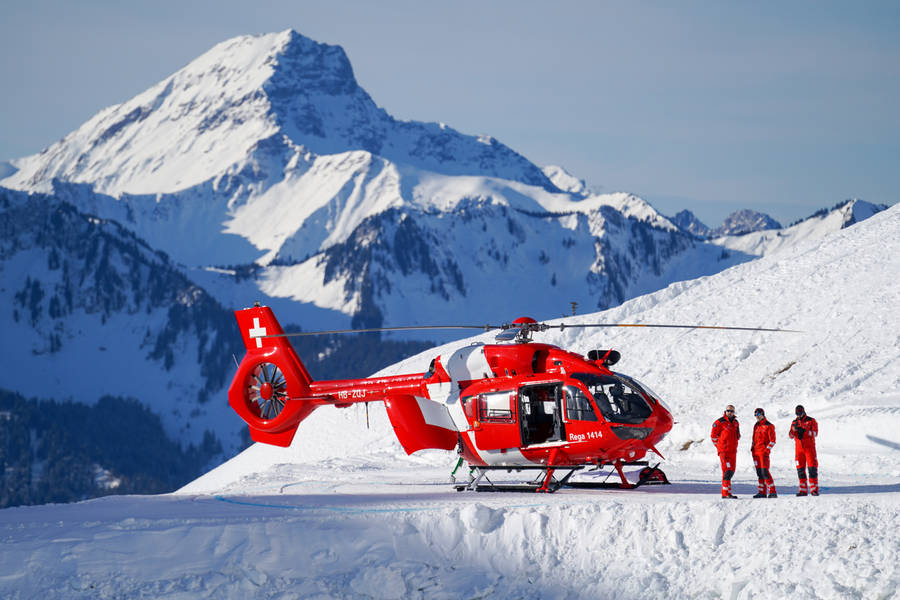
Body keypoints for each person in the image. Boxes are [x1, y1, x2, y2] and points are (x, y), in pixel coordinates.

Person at [711, 405, 740, 498]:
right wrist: (719, 447)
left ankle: (728, 493)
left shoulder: (736, 422)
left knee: (731, 471)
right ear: (725, 411)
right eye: (728, 411)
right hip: (724, 451)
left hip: (733, 451)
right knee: (727, 471)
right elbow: (713, 436)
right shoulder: (719, 422)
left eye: (731, 411)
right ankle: (725, 494)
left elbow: (737, 435)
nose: (730, 412)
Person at [789, 405, 819, 496]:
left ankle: (814, 490)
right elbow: (790, 436)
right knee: (800, 470)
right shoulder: (794, 422)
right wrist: (794, 431)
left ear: (803, 412)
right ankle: (803, 490)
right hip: (799, 450)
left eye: (800, 413)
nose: (798, 415)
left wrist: (805, 431)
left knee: (812, 469)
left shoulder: (811, 420)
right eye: (797, 414)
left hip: (809, 449)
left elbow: (815, 433)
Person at [750, 408, 777, 498]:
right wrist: (752, 448)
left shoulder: (769, 426)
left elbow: (773, 441)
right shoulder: (756, 425)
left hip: (763, 453)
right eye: (755, 416)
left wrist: (767, 450)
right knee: (759, 473)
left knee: (765, 472)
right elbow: (754, 438)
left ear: (762, 414)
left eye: (758, 415)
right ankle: (762, 492)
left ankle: (773, 492)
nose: (757, 417)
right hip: (755, 453)